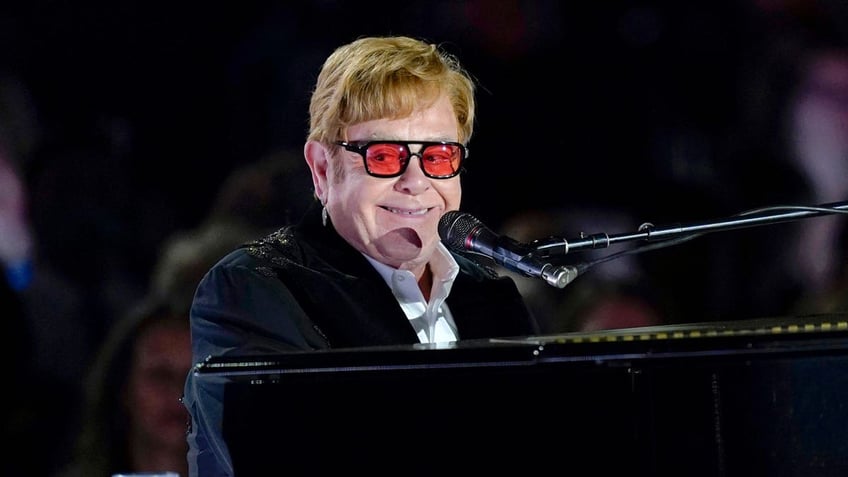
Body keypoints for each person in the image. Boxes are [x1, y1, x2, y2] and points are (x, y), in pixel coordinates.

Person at [182, 35, 539, 476]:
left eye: (439, 155)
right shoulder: (257, 288)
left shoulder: (492, 296)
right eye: (384, 156)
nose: (416, 181)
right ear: (321, 168)